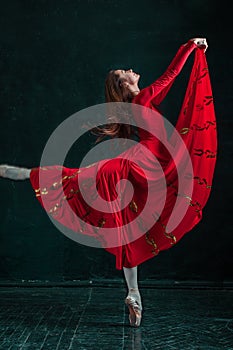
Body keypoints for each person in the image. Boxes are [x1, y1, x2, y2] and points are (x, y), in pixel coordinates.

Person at [0, 37, 216, 327]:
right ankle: (24, 173)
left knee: (124, 223)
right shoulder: (142, 98)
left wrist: (191, 49)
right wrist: (191, 46)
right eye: (123, 74)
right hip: (146, 166)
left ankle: (134, 294)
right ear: (125, 86)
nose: (129, 70)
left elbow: (169, 83)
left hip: (136, 165)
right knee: (118, 215)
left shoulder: (143, 101)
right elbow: (171, 75)